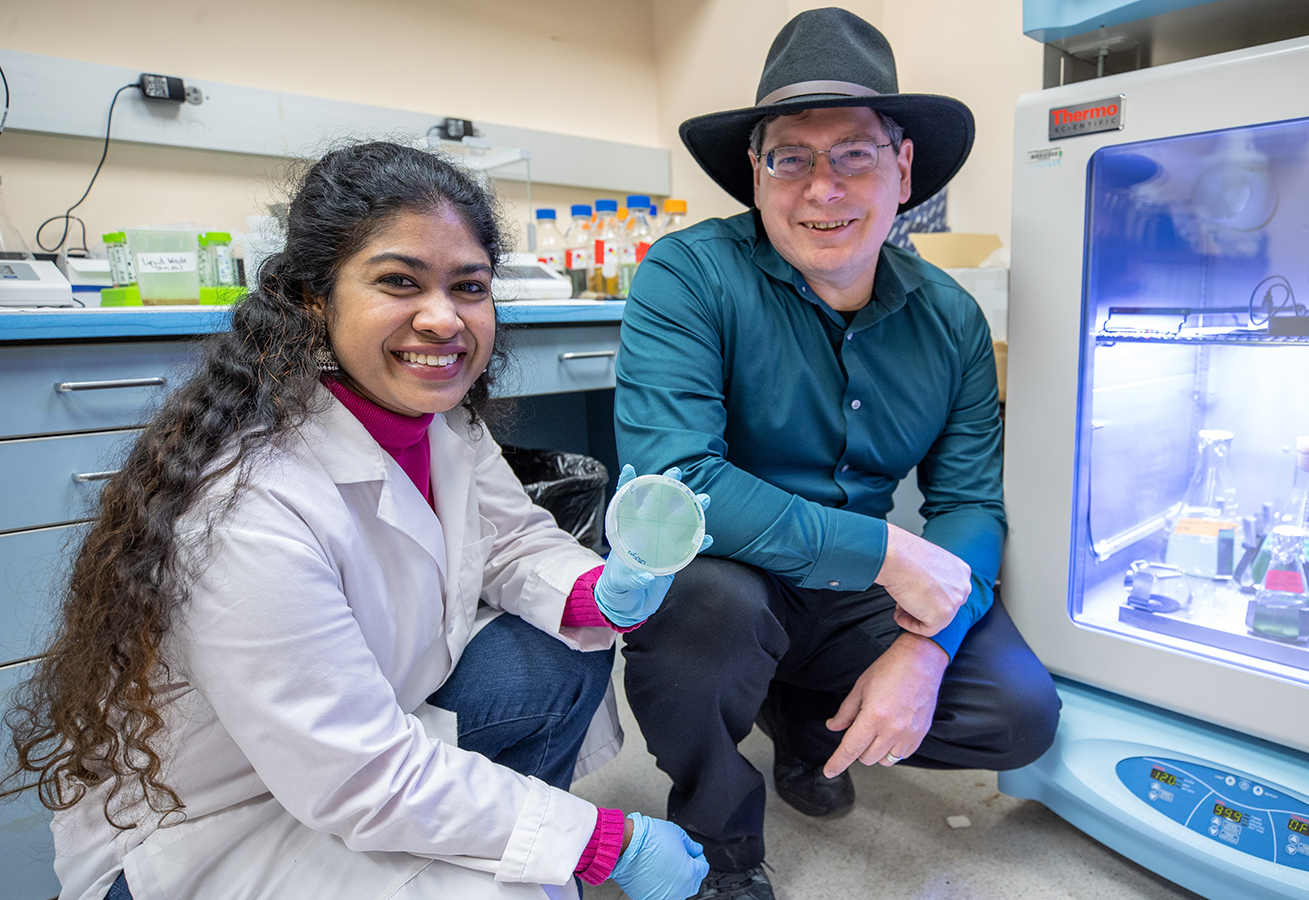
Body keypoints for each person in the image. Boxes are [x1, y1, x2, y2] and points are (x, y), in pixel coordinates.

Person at [4, 142, 712, 900]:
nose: (442, 317)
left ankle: (481, 838)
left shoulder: (440, 424)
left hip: (349, 743)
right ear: (314, 298)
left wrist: (597, 592)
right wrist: (604, 841)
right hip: (218, 822)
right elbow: (362, 773)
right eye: (399, 281)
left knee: (565, 652)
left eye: (468, 286)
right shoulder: (246, 505)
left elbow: (509, 536)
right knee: (521, 889)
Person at [615, 9, 1061, 900]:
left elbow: (969, 503)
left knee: (1014, 712)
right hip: (727, 569)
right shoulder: (688, 275)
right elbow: (680, 483)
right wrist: (891, 553)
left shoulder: (951, 319)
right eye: (791, 158)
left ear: (904, 169)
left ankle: (802, 719)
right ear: (756, 174)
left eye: (854, 154)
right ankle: (717, 846)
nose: (823, 188)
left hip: (850, 595)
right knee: (706, 621)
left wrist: (928, 648)